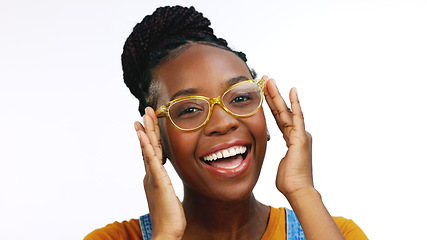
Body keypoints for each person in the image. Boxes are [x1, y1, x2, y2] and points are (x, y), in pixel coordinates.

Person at [85, 5, 367, 240]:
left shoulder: (335, 231)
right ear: (156, 136)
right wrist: (168, 234)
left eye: (241, 98)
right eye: (190, 109)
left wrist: (302, 191)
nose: (223, 122)